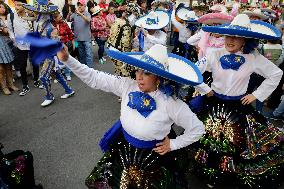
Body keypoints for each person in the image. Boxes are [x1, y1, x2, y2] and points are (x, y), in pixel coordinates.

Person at [54, 42, 205, 188]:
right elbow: (94, 78)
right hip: (124, 150)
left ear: (159, 78)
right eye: (138, 70)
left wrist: (173, 144)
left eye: (146, 73)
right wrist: (68, 59)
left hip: (154, 159)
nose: (139, 77)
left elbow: (198, 129)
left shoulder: (171, 103)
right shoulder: (127, 85)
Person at [190, 14, 284, 188]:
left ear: (246, 40)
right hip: (213, 104)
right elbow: (193, 72)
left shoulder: (254, 57)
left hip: (238, 107)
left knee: (235, 144)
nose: (230, 40)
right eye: (228, 35)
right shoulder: (214, 53)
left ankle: (228, 178)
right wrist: (206, 89)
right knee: (210, 141)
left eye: (236, 37)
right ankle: (212, 175)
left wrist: (256, 95)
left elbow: (276, 74)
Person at [21, 0, 74, 107]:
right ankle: (68, 90)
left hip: (51, 57)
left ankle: (49, 96)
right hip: (45, 55)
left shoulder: (50, 28)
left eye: (36, 12)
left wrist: (58, 60)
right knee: (56, 74)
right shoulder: (40, 24)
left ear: (42, 14)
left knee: (43, 77)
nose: (33, 13)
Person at [7, 0, 40, 96]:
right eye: (15, 5)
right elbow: (10, 29)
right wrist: (14, 40)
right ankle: (25, 85)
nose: (16, 7)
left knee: (35, 63)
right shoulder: (11, 16)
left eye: (19, 5)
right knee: (22, 65)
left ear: (24, 5)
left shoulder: (30, 15)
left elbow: (36, 26)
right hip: (20, 45)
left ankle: (36, 80)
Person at [0, 2, 18, 95]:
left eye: (2, 7)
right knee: (1, 68)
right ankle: (4, 87)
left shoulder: (6, 17)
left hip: (3, 43)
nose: (1, 9)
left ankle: (11, 84)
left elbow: (6, 31)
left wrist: (3, 29)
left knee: (9, 65)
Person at [69, 0, 93, 68]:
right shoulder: (75, 14)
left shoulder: (87, 13)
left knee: (89, 54)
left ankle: (90, 69)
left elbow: (88, 20)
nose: (80, 6)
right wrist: (69, 13)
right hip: (77, 39)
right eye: (78, 5)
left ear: (85, 6)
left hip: (86, 38)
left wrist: (80, 14)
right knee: (81, 55)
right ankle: (84, 68)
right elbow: (68, 19)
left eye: (81, 5)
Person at [52, 11, 75, 81]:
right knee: (57, 61)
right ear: (54, 19)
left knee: (66, 59)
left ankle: (68, 74)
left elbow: (70, 34)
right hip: (56, 45)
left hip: (65, 45)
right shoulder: (52, 26)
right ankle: (59, 75)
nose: (61, 18)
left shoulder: (64, 24)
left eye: (61, 16)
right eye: (60, 17)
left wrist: (73, 43)